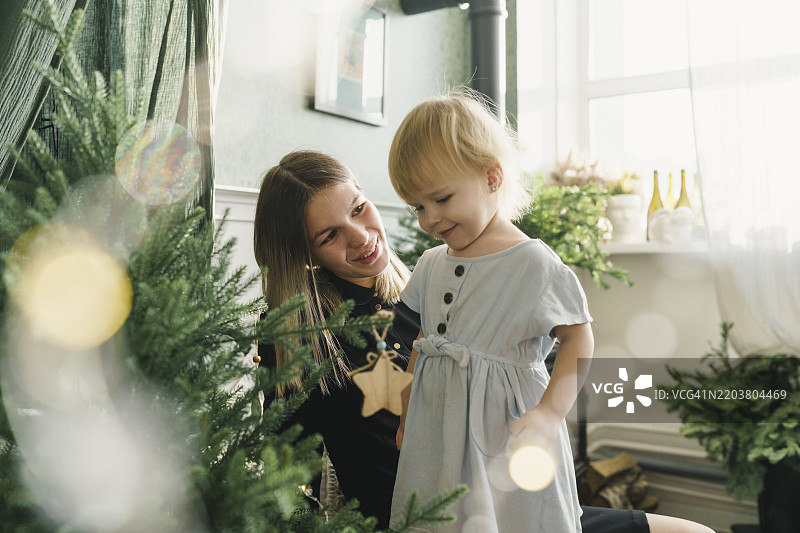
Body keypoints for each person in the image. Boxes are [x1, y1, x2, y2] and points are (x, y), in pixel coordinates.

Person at [254, 149, 713, 533]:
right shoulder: (299, 337)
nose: (361, 237)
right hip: (424, 517)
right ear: (303, 253)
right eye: (330, 235)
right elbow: (283, 470)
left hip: (510, 506)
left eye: (359, 209)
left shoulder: (430, 287)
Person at [385, 92, 712, 533]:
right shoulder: (429, 264)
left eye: (441, 199)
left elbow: (578, 337)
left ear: (492, 176)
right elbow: (424, 344)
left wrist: (550, 413)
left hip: (505, 437)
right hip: (437, 437)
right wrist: (407, 412)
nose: (429, 219)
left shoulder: (532, 263)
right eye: (418, 207)